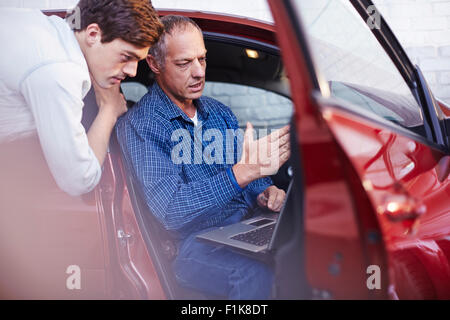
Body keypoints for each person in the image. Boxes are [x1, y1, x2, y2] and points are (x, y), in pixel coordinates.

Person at [116, 15, 290, 299]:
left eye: (202, 59)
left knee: (301, 252)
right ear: (155, 64)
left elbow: (250, 177)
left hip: (244, 225)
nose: (198, 72)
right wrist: (242, 174)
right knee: (255, 273)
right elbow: (171, 212)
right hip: (190, 246)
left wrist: (264, 191)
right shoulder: (143, 125)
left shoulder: (219, 112)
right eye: (184, 63)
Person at [0, 0, 162, 298]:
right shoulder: (59, 71)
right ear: (92, 34)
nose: (131, 70)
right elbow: (78, 179)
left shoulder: (39, 27)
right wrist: (109, 110)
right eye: (126, 56)